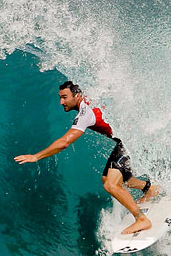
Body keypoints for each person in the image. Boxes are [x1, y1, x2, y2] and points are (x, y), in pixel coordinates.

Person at [14, 81, 160, 235]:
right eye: (60, 97)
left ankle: (141, 219)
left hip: (132, 141)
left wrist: (36, 157)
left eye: (64, 97)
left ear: (77, 96)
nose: (61, 102)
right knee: (108, 179)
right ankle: (149, 188)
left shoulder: (85, 113)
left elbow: (64, 142)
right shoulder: (90, 99)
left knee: (111, 184)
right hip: (132, 138)